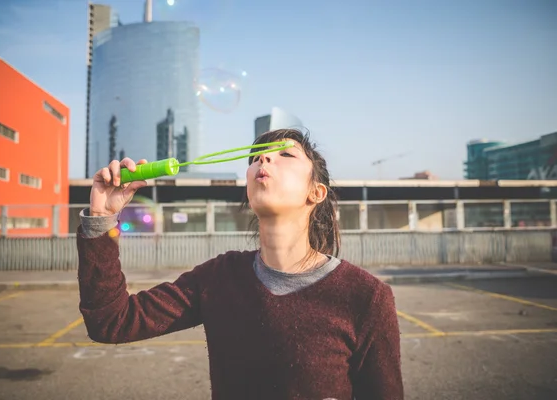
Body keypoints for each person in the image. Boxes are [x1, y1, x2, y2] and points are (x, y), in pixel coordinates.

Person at [76, 128, 404, 400]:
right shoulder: (218, 278)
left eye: (285, 155)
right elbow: (112, 322)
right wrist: (102, 217)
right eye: (257, 156)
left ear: (315, 192)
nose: (264, 158)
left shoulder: (365, 296)